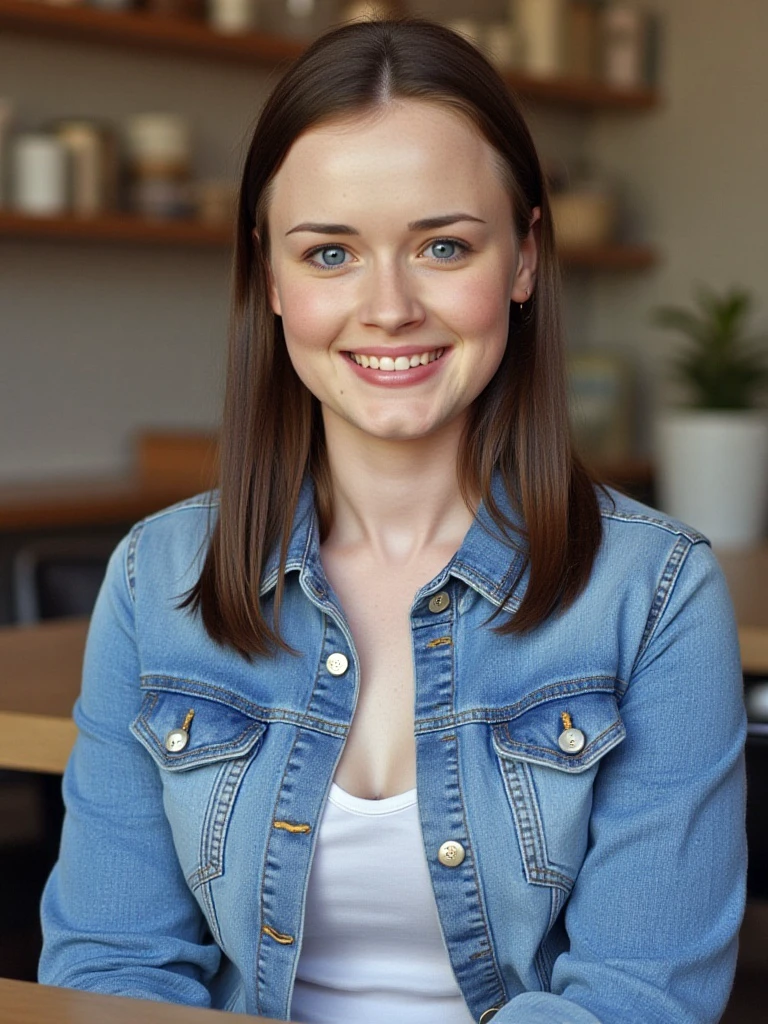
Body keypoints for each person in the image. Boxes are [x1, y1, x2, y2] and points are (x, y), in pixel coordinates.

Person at [39, 16, 747, 1024]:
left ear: (524, 258)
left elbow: (636, 998)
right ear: (271, 278)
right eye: (330, 252)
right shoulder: (157, 578)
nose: (389, 306)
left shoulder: (657, 590)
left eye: (444, 245)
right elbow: (113, 967)